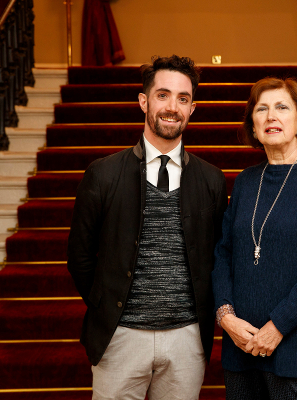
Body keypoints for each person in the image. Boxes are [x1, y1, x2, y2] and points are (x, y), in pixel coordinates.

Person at [67, 55, 227, 400]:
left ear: (193, 108)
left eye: (183, 99)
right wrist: (105, 306)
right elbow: (79, 257)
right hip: (120, 338)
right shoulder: (103, 174)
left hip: (187, 340)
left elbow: (218, 255)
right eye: (163, 95)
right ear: (144, 101)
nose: (172, 107)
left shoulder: (212, 180)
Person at [212, 77, 297, 400]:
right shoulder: (246, 182)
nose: (271, 116)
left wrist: (278, 326)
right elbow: (223, 254)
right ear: (254, 126)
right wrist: (225, 316)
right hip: (241, 350)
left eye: (281, 107)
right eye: (261, 110)